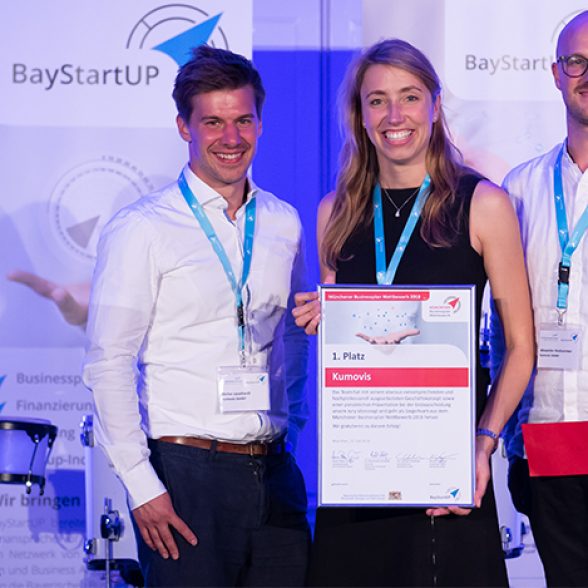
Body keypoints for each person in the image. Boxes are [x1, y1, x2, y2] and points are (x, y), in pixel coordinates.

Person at [293, 39, 534, 587]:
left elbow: (520, 348)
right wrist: (321, 316)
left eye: (410, 97)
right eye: (377, 100)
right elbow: (346, 347)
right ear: (359, 113)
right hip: (359, 468)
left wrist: (481, 444)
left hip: (445, 468)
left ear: (435, 104)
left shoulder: (482, 203)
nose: (395, 116)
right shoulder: (334, 211)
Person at [82, 45, 310, 587]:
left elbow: (295, 340)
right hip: (186, 477)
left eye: (243, 120)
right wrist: (144, 487)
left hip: (274, 470)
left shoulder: (284, 222)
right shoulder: (142, 228)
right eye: (212, 122)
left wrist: (292, 427)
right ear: (184, 126)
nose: (231, 138)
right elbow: (108, 363)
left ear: (260, 122)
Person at [491, 11, 588, 586]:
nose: (587, 75)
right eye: (576, 62)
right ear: (555, 73)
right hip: (548, 435)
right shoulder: (519, 189)